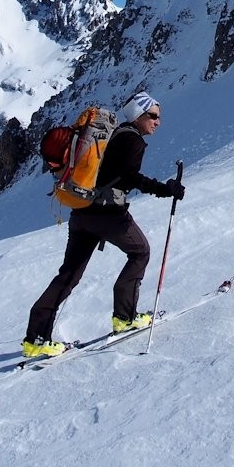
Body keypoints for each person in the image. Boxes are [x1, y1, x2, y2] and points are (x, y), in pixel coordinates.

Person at [22, 91, 185, 357]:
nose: (157, 122)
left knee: (69, 275)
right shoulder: (132, 140)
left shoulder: (114, 135)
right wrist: (165, 189)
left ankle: (36, 339)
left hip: (82, 212)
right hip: (109, 215)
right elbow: (129, 177)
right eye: (153, 116)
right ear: (139, 115)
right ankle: (125, 317)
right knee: (140, 252)